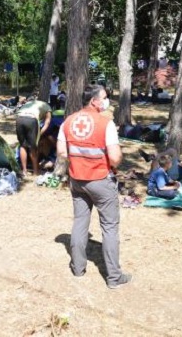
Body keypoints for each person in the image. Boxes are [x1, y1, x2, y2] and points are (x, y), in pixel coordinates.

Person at [56, 84, 131, 289]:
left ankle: (78, 268)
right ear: (94, 101)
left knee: (80, 221)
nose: (107, 101)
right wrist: (112, 160)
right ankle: (114, 277)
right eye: (104, 98)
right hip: (100, 180)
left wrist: (78, 159)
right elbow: (114, 158)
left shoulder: (68, 121)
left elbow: (62, 152)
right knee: (109, 227)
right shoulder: (105, 124)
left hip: (76, 180)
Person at [16, 98, 52, 176]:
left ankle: (24, 171)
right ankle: (36, 172)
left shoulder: (30, 103)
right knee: (33, 147)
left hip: (19, 119)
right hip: (31, 120)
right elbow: (47, 123)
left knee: (23, 145)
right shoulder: (48, 107)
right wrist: (39, 134)